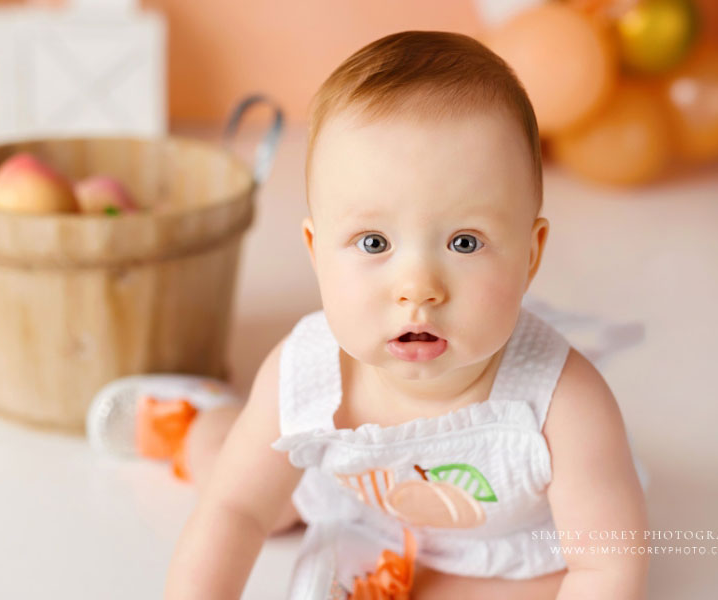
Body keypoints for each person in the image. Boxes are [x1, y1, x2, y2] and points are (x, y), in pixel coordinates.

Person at [162, 31, 648, 599]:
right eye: (373, 243)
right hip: (357, 502)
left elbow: (607, 568)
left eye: (465, 243)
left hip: (504, 537)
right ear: (317, 253)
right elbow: (235, 509)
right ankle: (189, 417)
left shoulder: (561, 403)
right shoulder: (307, 374)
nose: (418, 289)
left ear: (530, 255)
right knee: (246, 488)